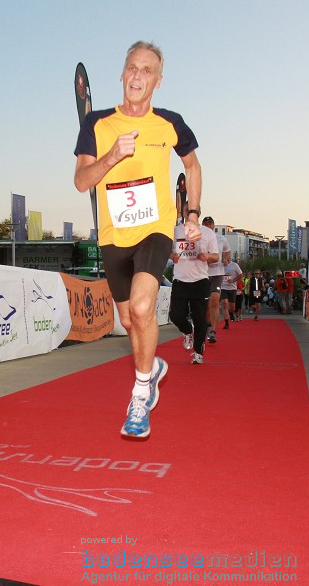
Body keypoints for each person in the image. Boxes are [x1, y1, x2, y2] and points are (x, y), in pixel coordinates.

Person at [74, 40, 201, 438]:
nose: (137, 76)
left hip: (154, 228)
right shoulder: (96, 123)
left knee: (145, 307)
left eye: (147, 71)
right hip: (115, 236)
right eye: (132, 67)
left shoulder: (169, 123)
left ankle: (141, 394)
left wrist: (192, 213)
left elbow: (193, 165)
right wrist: (111, 156)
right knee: (129, 319)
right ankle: (154, 365)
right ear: (122, 74)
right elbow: (81, 182)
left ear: (158, 82)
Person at [169, 207, 218, 365]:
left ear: (198, 214)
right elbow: (168, 251)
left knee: (200, 319)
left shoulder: (207, 233)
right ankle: (187, 330)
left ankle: (198, 352)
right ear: (183, 214)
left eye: (193, 212)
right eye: (186, 211)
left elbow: (216, 257)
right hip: (180, 280)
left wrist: (207, 256)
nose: (189, 214)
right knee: (175, 315)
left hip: (200, 281)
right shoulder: (175, 231)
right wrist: (172, 256)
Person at [202, 216, 230, 343]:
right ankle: (206, 326)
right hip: (202, 274)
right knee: (205, 305)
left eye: (210, 224)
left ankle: (213, 331)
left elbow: (227, 251)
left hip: (217, 273)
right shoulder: (198, 238)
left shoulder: (221, 238)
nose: (208, 226)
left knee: (214, 300)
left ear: (213, 225)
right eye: (206, 224)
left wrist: (226, 259)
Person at [221, 258, 243, 329]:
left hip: (232, 288)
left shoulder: (234, 265)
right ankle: (226, 322)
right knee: (224, 303)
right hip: (223, 287)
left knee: (232, 307)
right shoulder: (219, 265)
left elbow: (241, 275)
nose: (223, 263)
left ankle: (231, 313)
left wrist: (233, 280)